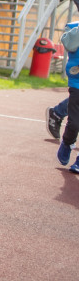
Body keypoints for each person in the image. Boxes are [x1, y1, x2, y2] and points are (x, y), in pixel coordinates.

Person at [56, 14, 79, 173]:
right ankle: (67, 142)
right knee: (74, 124)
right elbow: (69, 43)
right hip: (77, 84)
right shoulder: (74, 29)